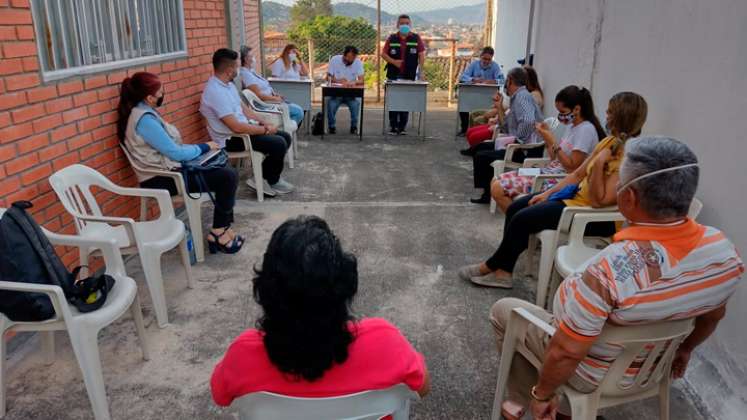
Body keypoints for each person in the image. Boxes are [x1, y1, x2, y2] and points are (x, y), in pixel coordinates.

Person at [488, 136, 744, 420]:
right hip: (650, 366)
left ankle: (535, 402)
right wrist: (685, 349)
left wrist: (543, 394)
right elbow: (712, 316)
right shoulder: (725, 254)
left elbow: (566, 353)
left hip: (591, 371)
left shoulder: (608, 271)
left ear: (629, 197)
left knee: (506, 311)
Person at [211, 216, 430, 407]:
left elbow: (220, 397)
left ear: (265, 291)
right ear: (345, 286)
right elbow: (422, 387)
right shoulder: (386, 341)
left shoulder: (243, 355)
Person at [458, 91, 648, 287]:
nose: (606, 116)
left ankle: (490, 266)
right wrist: (547, 194)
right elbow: (576, 175)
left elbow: (599, 201)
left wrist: (599, 164)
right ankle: (503, 271)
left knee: (523, 218)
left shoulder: (629, 156)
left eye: (610, 112)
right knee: (517, 207)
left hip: (590, 215)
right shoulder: (608, 142)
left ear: (621, 116)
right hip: (573, 198)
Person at [117, 72, 244, 254]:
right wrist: (203, 147)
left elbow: (171, 149)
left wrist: (200, 150)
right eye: (160, 92)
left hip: (170, 171)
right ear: (150, 97)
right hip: (161, 179)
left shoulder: (144, 112)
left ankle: (223, 227)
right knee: (227, 177)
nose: (162, 95)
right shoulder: (144, 120)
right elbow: (175, 153)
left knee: (225, 170)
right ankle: (218, 232)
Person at [490, 86, 605, 213]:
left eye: (563, 112)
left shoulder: (586, 130)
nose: (560, 116)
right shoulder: (572, 126)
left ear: (577, 109)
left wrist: (553, 141)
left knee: (498, 188)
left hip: (557, 179)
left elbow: (572, 168)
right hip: (548, 171)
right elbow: (555, 158)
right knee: (496, 180)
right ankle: (518, 220)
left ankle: (519, 222)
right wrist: (547, 136)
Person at [200, 48, 295, 197]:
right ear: (230, 70)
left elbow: (245, 110)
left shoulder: (228, 85)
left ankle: (264, 178)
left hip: (244, 131)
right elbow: (235, 127)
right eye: (237, 66)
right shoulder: (215, 92)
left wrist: (264, 123)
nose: (239, 69)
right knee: (278, 143)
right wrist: (265, 131)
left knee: (285, 137)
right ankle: (269, 179)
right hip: (232, 139)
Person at [467, 67, 544, 204]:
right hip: (514, 144)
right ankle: (486, 189)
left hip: (525, 150)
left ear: (510, 81)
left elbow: (528, 121)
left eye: (506, 81)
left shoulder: (522, 97)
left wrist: (518, 141)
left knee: (482, 155)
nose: (505, 84)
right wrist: (499, 106)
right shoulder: (517, 97)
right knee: (479, 148)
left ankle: (488, 194)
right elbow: (505, 126)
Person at [381, 14, 426, 135]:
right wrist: (394, 62)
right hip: (393, 74)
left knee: (405, 100)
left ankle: (402, 127)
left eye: (407, 23)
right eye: (402, 23)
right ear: (397, 25)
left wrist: (421, 71)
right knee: (394, 101)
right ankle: (393, 126)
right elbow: (383, 54)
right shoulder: (392, 38)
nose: (404, 25)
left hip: (409, 74)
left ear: (410, 25)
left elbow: (421, 55)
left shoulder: (416, 38)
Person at [239, 46, 304, 126]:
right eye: (252, 56)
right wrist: (275, 98)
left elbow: (305, 73)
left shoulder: (251, 71)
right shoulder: (246, 74)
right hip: (266, 105)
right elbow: (259, 95)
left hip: (271, 100)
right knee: (298, 111)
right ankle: (287, 129)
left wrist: (274, 94)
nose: (254, 58)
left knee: (297, 109)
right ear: (245, 59)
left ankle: (287, 128)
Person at [458, 46, 505, 135]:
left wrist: (494, 81)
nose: (486, 61)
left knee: (488, 110)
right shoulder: (473, 64)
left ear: (492, 58)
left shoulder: (495, 66)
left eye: (489, 59)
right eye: (484, 58)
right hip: (472, 94)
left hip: (488, 96)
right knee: (463, 105)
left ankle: (482, 129)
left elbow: (502, 80)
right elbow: (462, 77)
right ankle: (464, 129)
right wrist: (472, 79)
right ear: (480, 56)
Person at [326, 46, 365, 135]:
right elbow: (328, 77)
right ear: (344, 55)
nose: (351, 60)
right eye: (349, 57)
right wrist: (338, 80)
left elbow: (362, 80)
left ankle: (354, 127)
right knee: (331, 104)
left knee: (355, 105)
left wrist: (354, 82)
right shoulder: (335, 60)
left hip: (350, 95)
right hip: (336, 94)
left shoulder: (357, 62)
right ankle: (331, 127)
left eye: (353, 58)